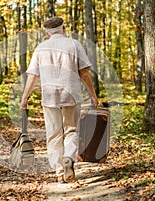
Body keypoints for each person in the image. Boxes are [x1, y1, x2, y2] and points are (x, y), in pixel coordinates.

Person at [20, 16, 99, 183]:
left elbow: (33, 76)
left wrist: (24, 98)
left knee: (54, 133)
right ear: (63, 28)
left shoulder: (40, 48)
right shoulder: (74, 44)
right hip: (70, 93)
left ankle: (58, 169)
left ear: (47, 33)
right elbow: (84, 73)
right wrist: (93, 95)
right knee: (71, 130)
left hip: (49, 96)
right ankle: (69, 157)